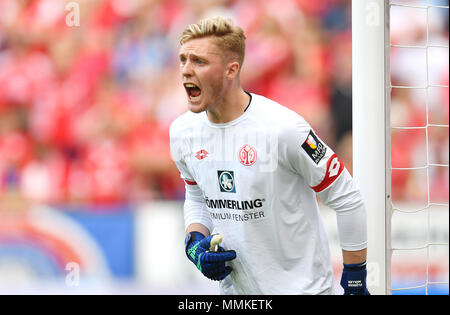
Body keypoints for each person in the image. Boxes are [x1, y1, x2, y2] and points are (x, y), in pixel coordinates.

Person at [169, 16, 369, 295]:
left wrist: (355, 280)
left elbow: (347, 197)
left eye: (199, 62)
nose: (186, 71)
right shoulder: (182, 132)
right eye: (183, 60)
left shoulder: (283, 129)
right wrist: (194, 241)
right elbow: (197, 196)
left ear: (231, 70)